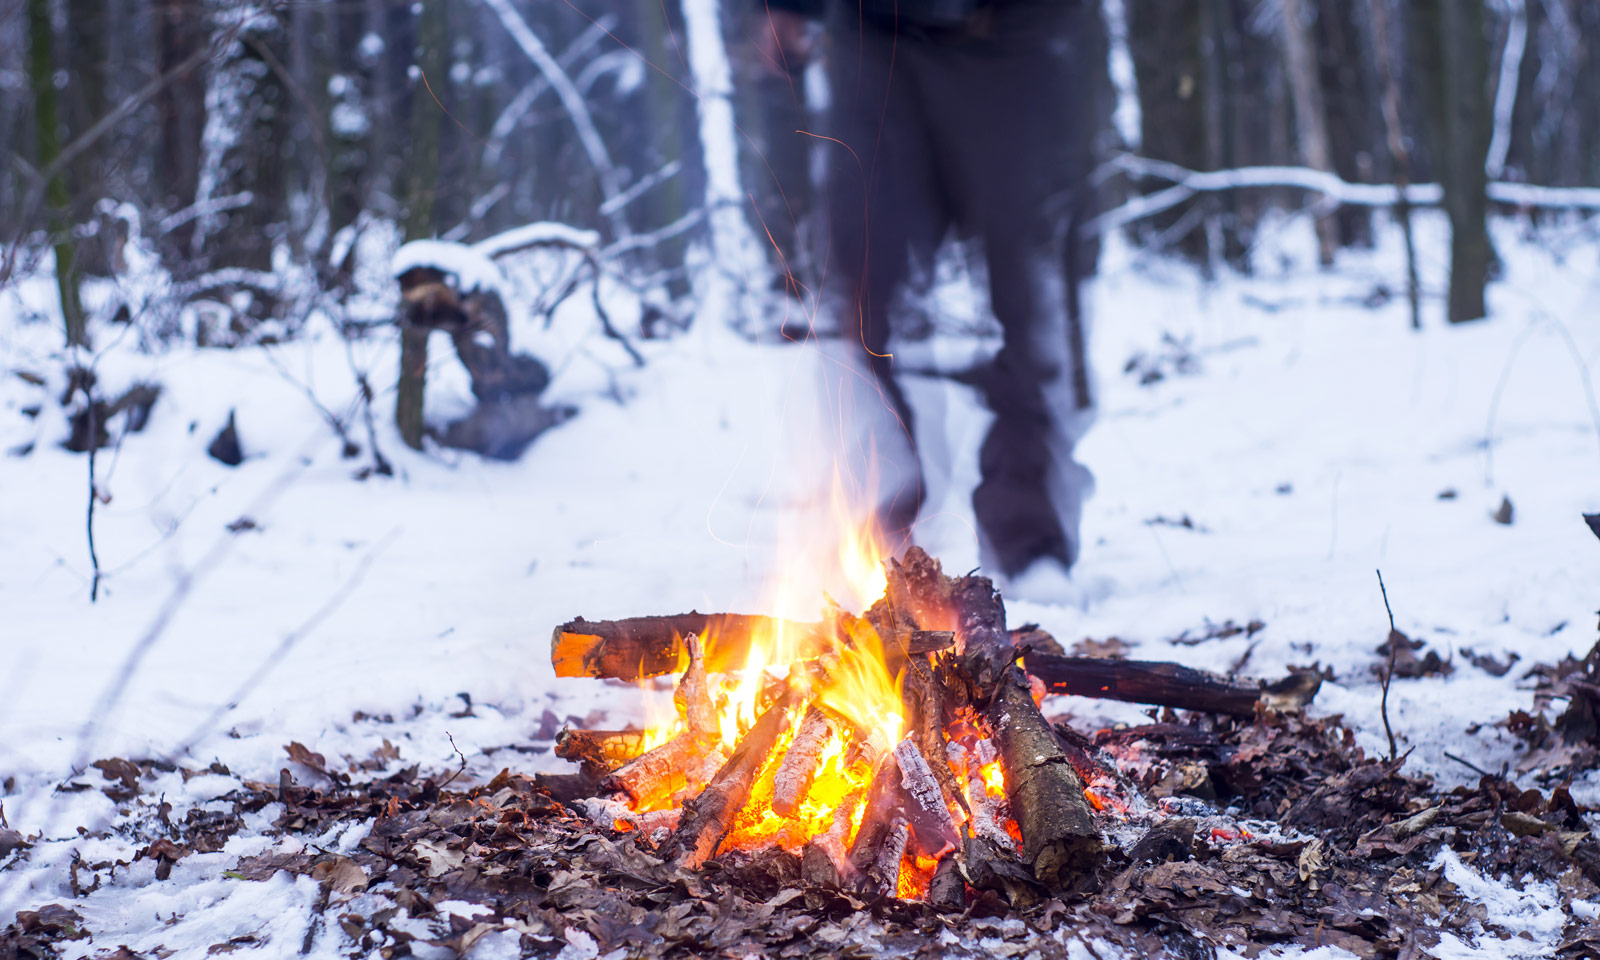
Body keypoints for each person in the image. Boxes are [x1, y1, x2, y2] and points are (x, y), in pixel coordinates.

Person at [758, 0, 1100, 594]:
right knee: (859, 272)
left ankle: (1032, 539)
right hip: (876, 34)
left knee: (1036, 278)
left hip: (1022, 34)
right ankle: (871, 532)